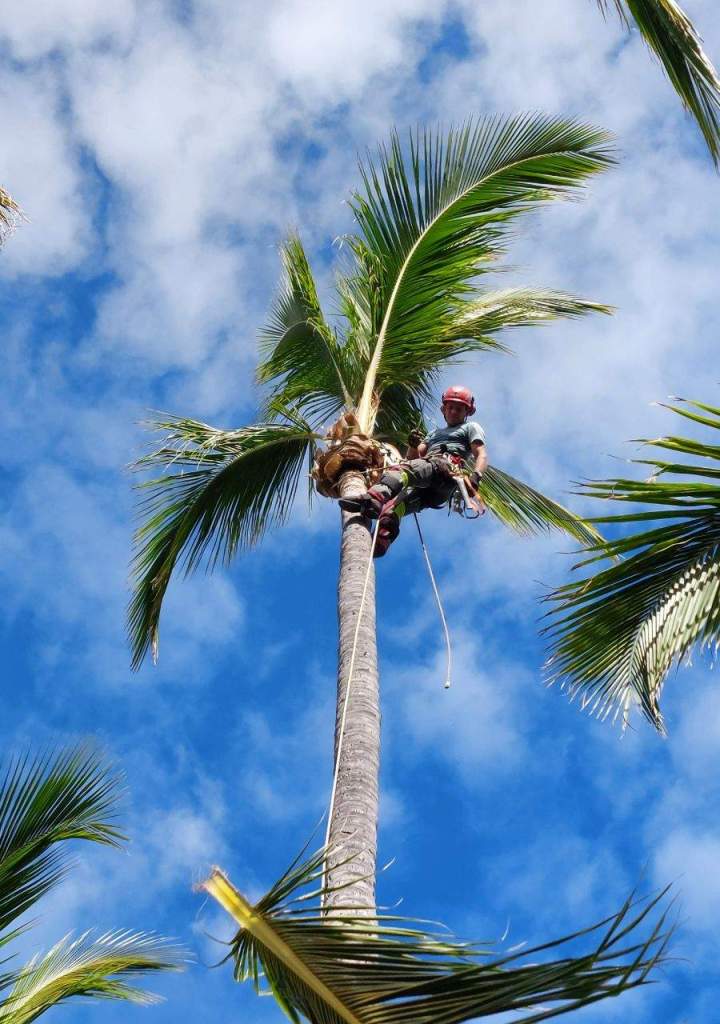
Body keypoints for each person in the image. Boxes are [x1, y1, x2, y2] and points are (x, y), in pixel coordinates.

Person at [339, 385, 488, 557]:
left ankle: (375, 497)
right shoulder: (433, 434)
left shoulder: (471, 427)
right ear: (443, 409)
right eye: (450, 407)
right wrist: (413, 444)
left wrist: (476, 476)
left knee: (402, 471)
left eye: (459, 408)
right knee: (394, 508)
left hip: (445, 469)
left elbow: (481, 453)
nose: (454, 411)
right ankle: (382, 539)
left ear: (467, 412)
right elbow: (413, 458)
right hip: (431, 490)